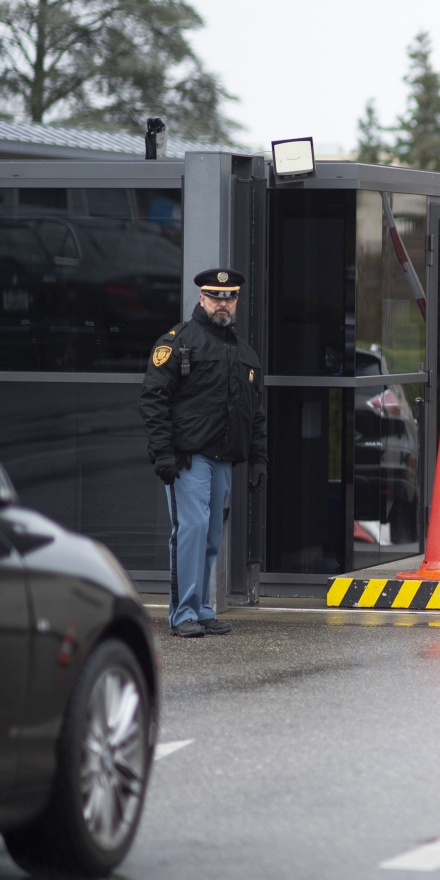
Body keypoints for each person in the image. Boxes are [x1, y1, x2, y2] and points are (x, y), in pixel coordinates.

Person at [139, 268, 268, 637]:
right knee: (191, 531)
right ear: (201, 298)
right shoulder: (179, 342)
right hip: (188, 459)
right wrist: (162, 452)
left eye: (229, 297)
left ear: (237, 301)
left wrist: (259, 459)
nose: (222, 303)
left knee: (211, 537)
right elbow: (153, 398)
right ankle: (182, 615)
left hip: (222, 460)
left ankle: (202, 608)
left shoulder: (244, 353)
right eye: (215, 297)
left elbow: (254, 412)